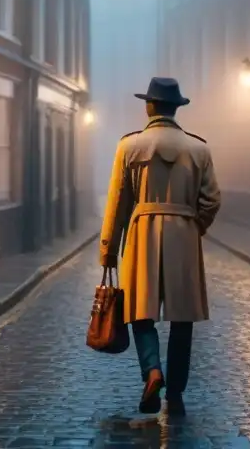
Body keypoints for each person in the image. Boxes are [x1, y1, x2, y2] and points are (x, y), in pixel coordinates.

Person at [99, 77, 222, 417]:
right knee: (183, 318)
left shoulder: (129, 146)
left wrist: (108, 249)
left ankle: (153, 372)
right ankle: (177, 393)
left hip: (142, 232)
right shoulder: (199, 149)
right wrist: (194, 223)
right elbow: (212, 200)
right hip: (183, 232)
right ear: (176, 108)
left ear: (149, 106)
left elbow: (117, 203)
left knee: (140, 310)